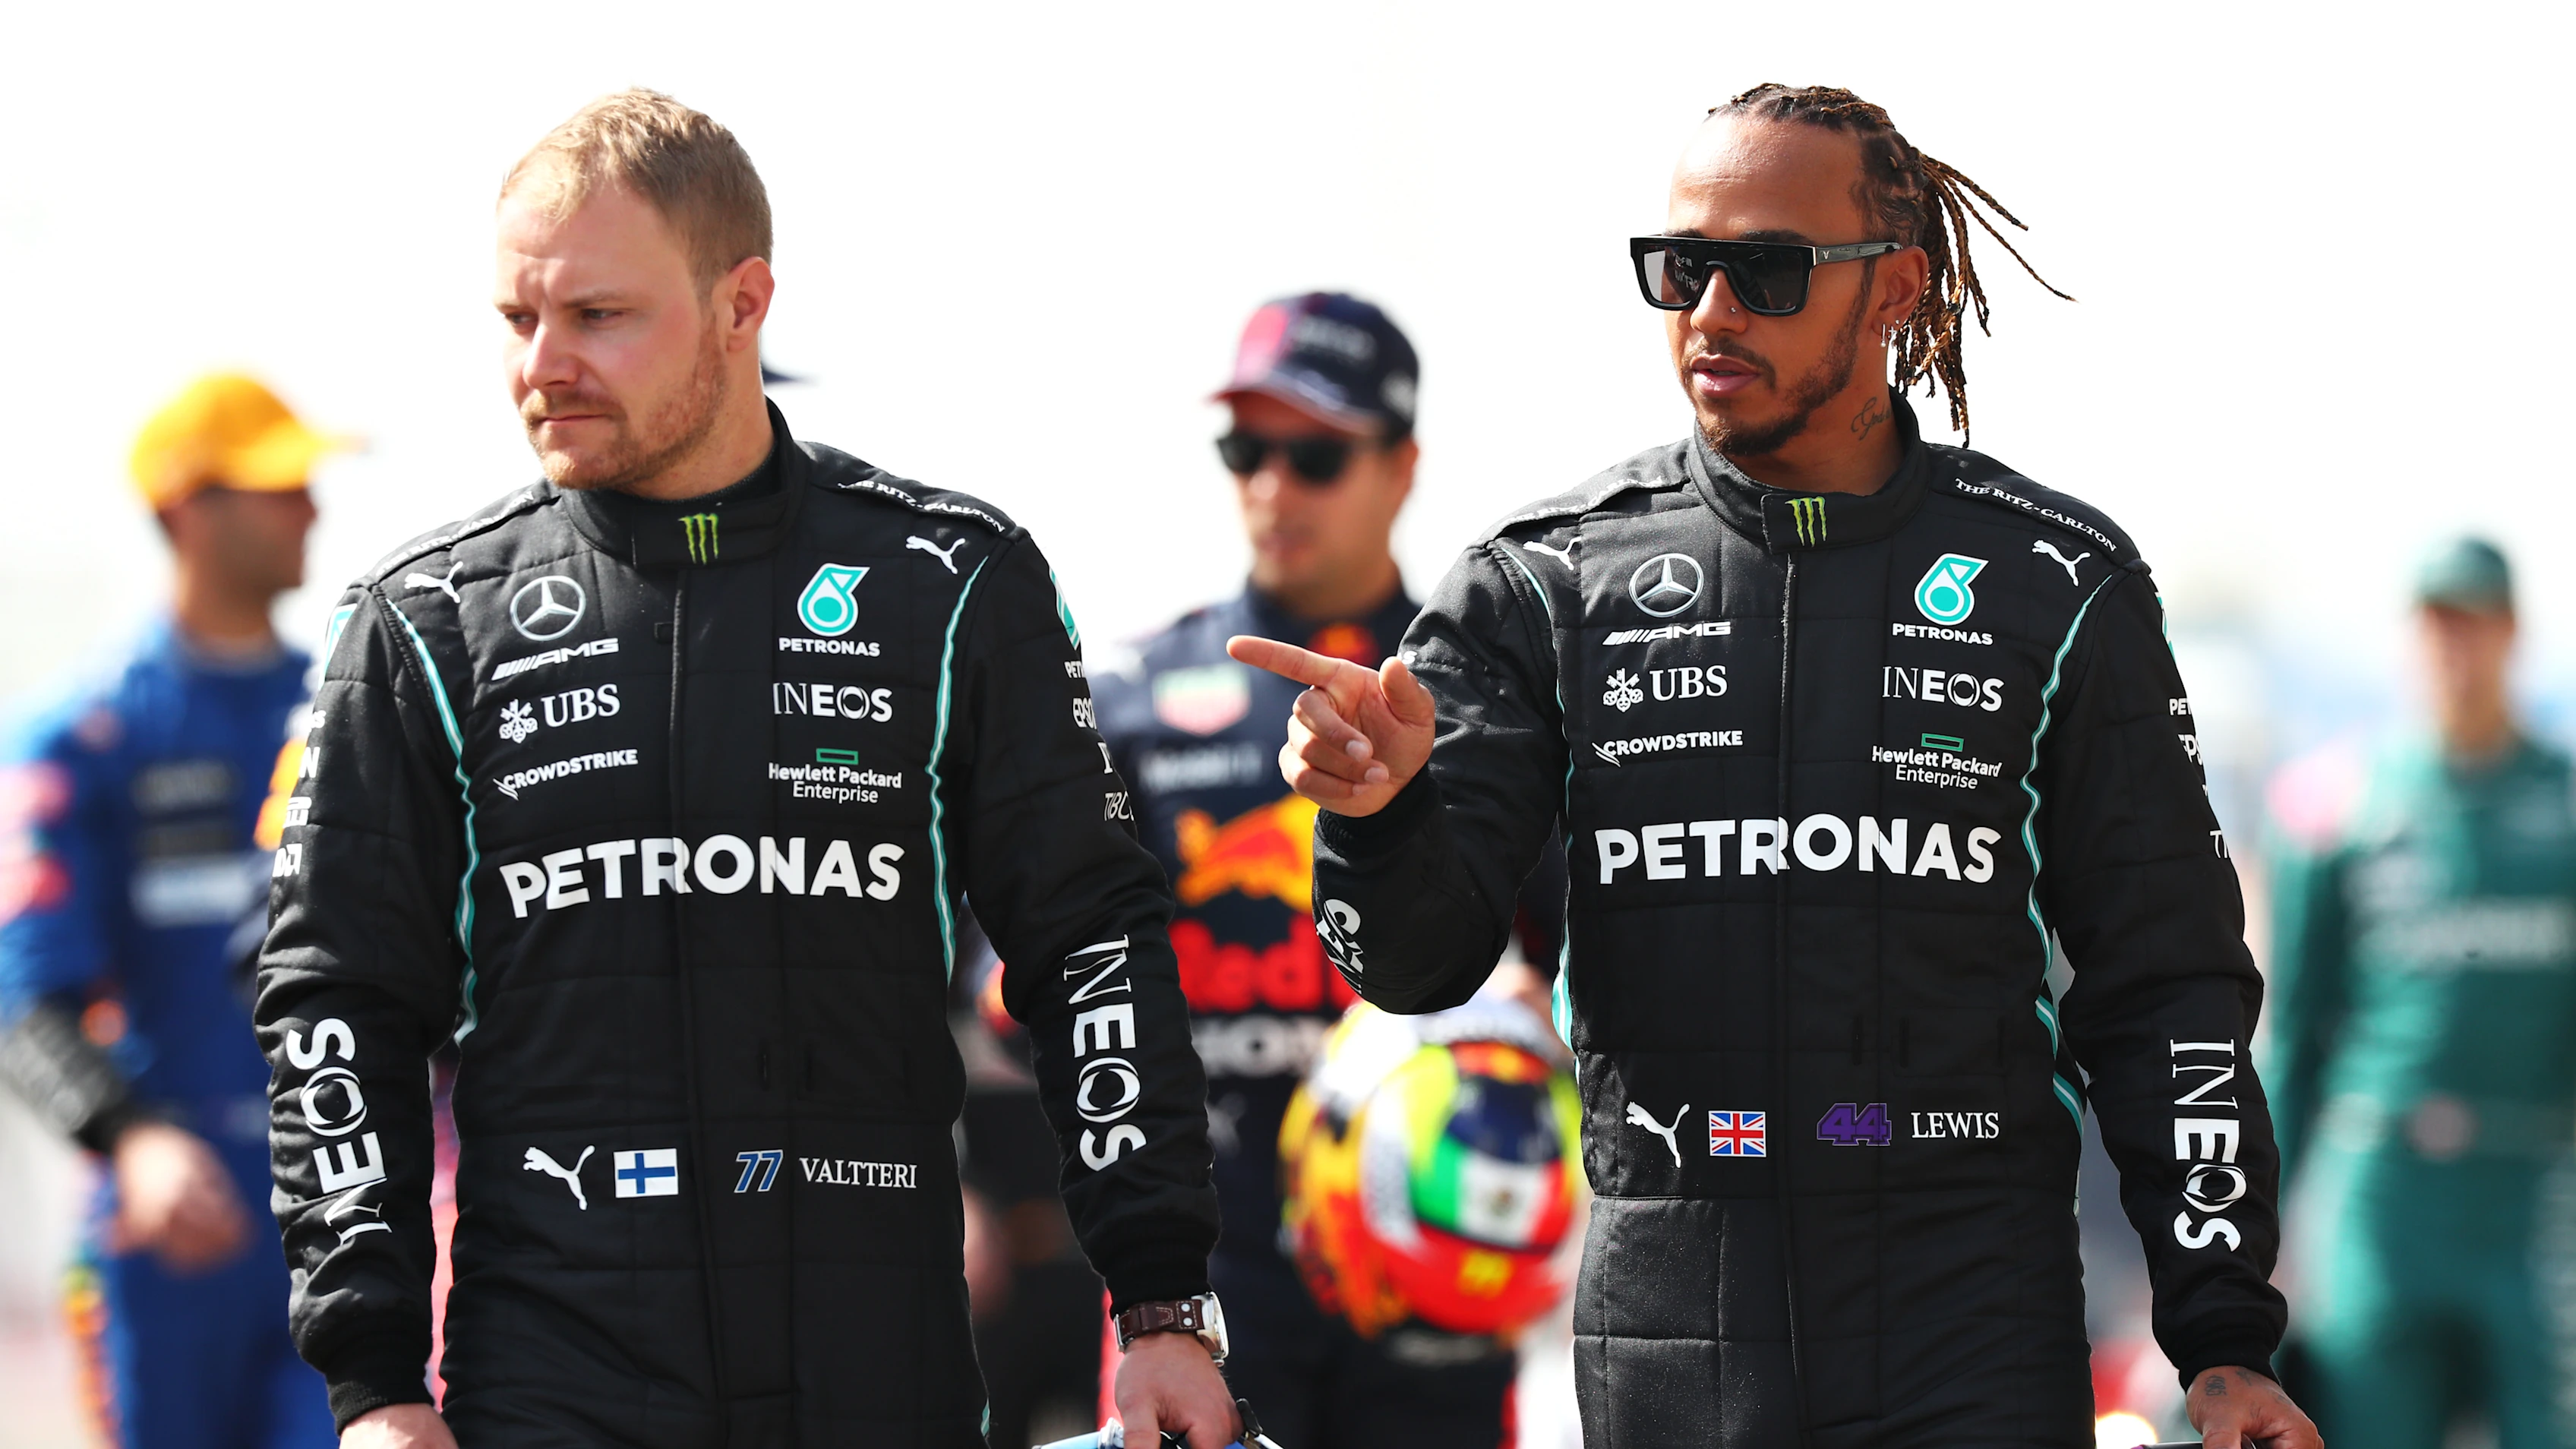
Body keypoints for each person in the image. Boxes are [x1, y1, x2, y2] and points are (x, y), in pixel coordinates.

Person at [1229, 84, 2322, 1449]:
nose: (1711, 310)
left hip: (1973, 1336)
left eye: (1765, 268)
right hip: (1674, 1347)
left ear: (1894, 291)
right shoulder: (1540, 585)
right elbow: (1414, 966)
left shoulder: (2059, 583)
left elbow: (2165, 992)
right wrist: (1380, 816)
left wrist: (2220, 1335)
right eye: (1680, 267)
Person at [254, 90, 1233, 1449]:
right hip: (549, 1383)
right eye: (516, 319)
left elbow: (1092, 948)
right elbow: (332, 1005)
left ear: (742, 301)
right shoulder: (423, 622)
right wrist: (370, 1382)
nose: (543, 362)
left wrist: (1165, 1299)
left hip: (876, 1375)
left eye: (597, 315)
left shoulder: (948, 582)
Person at [1094, 293, 1564, 1447]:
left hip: (1438, 1255)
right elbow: (1023, 991)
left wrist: (1525, 1011)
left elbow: (1589, 968)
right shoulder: (1135, 702)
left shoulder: (1491, 699)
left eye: (1315, 455)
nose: (1273, 487)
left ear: (1402, 466)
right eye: (1247, 450)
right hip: (1204, 1269)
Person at [0, 373, 335, 1449]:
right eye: (280, 487)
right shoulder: (82, 741)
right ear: (191, 509)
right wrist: (132, 1141)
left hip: (338, 1223)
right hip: (164, 1239)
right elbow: (24, 1000)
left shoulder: (348, 714)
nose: (313, 510)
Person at [2267, 537, 2576, 1448]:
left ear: (2510, 633)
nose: (2453, 646)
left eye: (2472, 622)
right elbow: (2292, 1033)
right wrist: (2256, 1229)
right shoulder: (2334, 805)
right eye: (2435, 623)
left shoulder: (2562, 806)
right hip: (2382, 1191)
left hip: (2530, 1185)